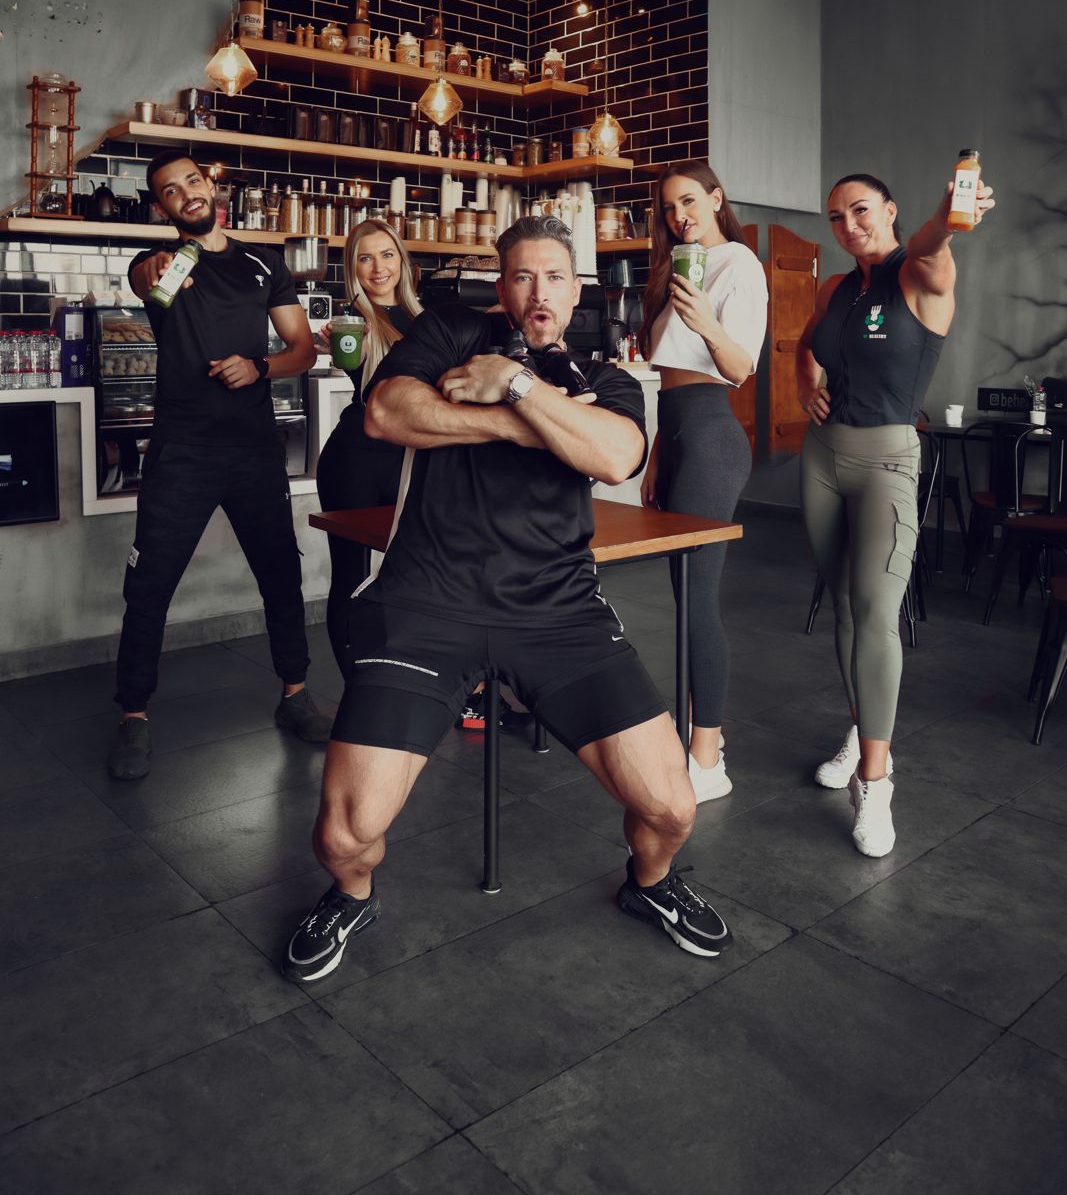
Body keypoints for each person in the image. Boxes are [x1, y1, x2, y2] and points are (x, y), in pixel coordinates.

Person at [282, 215, 733, 984]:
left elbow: (616, 455)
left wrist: (515, 384)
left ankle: (649, 883)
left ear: (575, 290)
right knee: (342, 837)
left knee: (672, 810)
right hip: (426, 602)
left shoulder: (605, 379)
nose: (537, 292)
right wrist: (532, 423)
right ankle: (351, 896)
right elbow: (388, 413)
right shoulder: (451, 334)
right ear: (503, 286)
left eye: (553, 277)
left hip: (559, 611)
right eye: (522, 276)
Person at [107, 152, 330, 781]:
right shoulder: (163, 263)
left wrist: (258, 367)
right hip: (182, 450)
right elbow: (149, 281)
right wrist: (161, 266)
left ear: (210, 185)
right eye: (170, 191)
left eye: (192, 181)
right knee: (149, 585)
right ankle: (133, 715)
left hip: (254, 446)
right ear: (162, 207)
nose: (186, 193)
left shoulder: (264, 264)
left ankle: (294, 694)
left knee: (280, 574)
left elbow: (303, 350)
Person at [796, 169, 994, 856]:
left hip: (886, 462)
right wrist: (805, 386)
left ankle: (875, 785)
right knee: (844, 610)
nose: (848, 225)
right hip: (822, 458)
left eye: (860, 211)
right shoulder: (835, 288)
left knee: (877, 613)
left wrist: (945, 216)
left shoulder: (919, 275)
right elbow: (807, 345)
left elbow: (933, 242)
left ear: (888, 210)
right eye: (835, 217)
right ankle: (861, 732)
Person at [638, 160, 767, 804]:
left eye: (689, 201)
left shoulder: (739, 264)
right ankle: (698, 731)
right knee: (683, 593)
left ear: (717, 199)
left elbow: (740, 367)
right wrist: (659, 455)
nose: (679, 216)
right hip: (681, 435)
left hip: (714, 439)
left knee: (697, 595)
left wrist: (706, 321)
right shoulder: (680, 267)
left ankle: (708, 757)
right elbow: (670, 378)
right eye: (669, 207)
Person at [315, 219, 421, 673]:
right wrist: (343, 346)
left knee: (416, 570)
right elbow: (359, 366)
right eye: (365, 258)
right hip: (354, 461)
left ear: (402, 261)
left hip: (408, 459)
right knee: (351, 575)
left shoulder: (424, 320)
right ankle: (355, 684)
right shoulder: (353, 321)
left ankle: (407, 676)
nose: (378, 268)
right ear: (352, 268)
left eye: (387, 255)